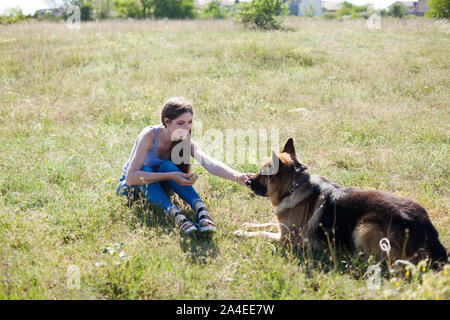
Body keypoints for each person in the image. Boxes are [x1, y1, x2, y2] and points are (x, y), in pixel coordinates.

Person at [116, 97, 253, 236]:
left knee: (167, 166)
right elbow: (131, 178)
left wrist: (236, 176)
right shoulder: (149, 135)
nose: (186, 128)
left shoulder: (184, 139)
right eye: (180, 123)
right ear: (166, 122)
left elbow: (209, 162)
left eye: (189, 123)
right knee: (146, 170)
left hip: (160, 189)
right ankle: (175, 215)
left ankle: (201, 210)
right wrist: (170, 176)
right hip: (131, 191)